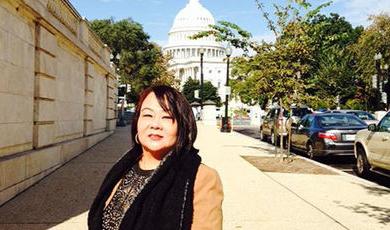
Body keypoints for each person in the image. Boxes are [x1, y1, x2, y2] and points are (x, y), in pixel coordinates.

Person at [88, 85, 223, 230]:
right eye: (147, 115)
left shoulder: (201, 177)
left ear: (182, 126)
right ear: (137, 122)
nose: (155, 124)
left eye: (167, 117)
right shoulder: (123, 166)